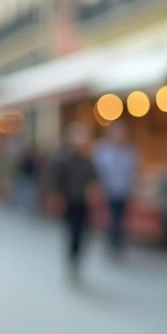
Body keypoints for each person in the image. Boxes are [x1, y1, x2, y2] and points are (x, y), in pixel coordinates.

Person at [47, 122, 100, 284]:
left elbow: (94, 180)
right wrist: (56, 196)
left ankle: (76, 262)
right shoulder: (64, 158)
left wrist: (93, 191)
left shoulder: (87, 160)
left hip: (83, 203)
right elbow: (55, 180)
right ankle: (71, 261)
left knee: (82, 234)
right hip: (69, 201)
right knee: (72, 232)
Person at [93, 122, 138, 258]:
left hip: (123, 189)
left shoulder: (129, 150)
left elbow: (133, 170)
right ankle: (113, 243)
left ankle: (118, 243)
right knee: (114, 218)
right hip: (109, 190)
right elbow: (98, 169)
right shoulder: (103, 149)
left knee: (121, 219)